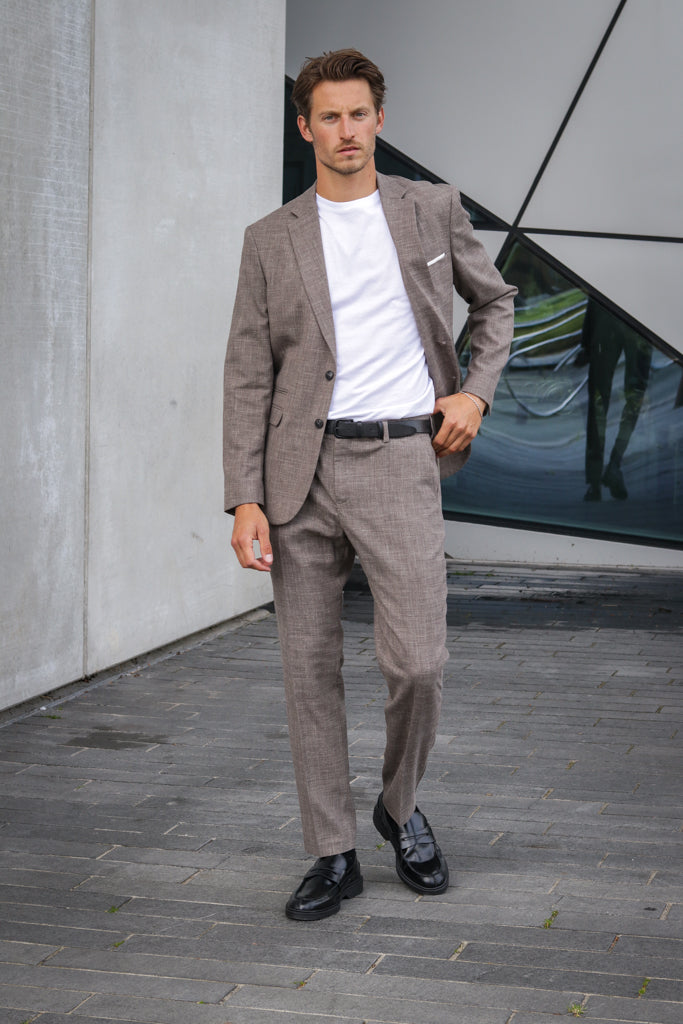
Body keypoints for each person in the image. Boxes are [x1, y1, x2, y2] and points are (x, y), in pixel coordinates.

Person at [223, 49, 516, 921]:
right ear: (304, 127)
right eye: (329, 117)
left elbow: (495, 302)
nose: (345, 131)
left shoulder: (431, 209)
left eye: (358, 114)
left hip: (398, 459)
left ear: (378, 121)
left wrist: (473, 392)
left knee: (418, 664)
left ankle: (397, 806)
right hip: (298, 476)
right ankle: (331, 851)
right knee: (308, 672)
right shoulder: (269, 238)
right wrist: (244, 495)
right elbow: (247, 372)